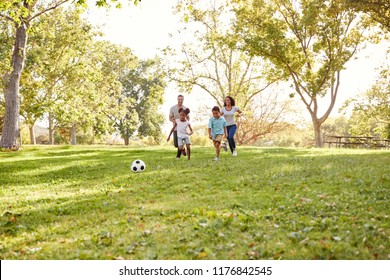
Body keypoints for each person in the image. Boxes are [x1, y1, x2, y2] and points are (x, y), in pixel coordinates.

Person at [169, 95, 188, 159]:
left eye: (181, 99)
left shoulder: (185, 108)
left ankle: (178, 157)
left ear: (183, 100)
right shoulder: (173, 108)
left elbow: (188, 117)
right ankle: (182, 148)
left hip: (182, 129)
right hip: (176, 128)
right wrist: (175, 121)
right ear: (177, 100)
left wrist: (185, 122)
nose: (180, 101)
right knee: (176, 144)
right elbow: (170, 118)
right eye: (179, 99)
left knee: (180, 142)